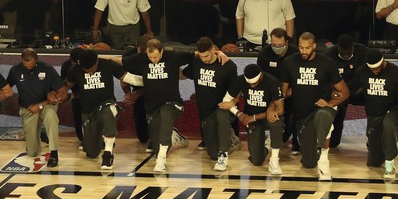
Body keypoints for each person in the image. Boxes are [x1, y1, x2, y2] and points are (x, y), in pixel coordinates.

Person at [279, 32, 349, 181]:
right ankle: (315, 153)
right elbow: (284, 92)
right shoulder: (290, 63)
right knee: (309, 164)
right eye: (301, 48)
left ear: (314, 46)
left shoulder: (326, 63)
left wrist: (330, 103)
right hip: (302, 115)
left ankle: (324, 158)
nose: (304, 51)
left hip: (321, 108)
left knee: (323, 115)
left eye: (308, 48)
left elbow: (345, 92)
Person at [119, 39, 194, 173]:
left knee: (166, 114)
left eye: (155, 57)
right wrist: (98, 58)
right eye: (150, 57)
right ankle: (175, 136)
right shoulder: (141, 59)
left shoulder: (173, 56)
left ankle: (161, 161)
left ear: (161, 51)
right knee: (155, 145)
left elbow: (197, 54)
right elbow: (119, 62)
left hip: (172, 102)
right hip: (152, 106)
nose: (153, 60)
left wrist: (218, 53)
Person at [52, 49, 131, 170]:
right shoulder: (74, 70)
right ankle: (97, 138)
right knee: (91, 152)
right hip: (88, 111)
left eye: (92, 69)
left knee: (109, 111)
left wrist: (146, 83)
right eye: (86, 70)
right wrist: (56, 95)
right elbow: (66, 86)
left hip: (105, 104)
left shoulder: (108, 65)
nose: (90, 72)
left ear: (97, 61)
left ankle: (108, 154)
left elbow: (127, 77)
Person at [182, 37, 238, 171]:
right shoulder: (196, 61)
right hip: (206, 111)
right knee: (212, 155)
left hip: (223, 107)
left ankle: (224, 155)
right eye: (201, 56)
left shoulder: (228, 65)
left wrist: (232, 104)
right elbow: (182, 75)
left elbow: (237, 90)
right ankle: (226, 142)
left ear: (213, 49)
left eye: (206, 56)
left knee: (221, 116)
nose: (204, 59)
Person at [222, 64, 285, 174]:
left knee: (277, 123)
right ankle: (266, 146)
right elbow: (225, 101)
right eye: (249, 84)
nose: (251, 86)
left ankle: (274, 160)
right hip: (251, 117)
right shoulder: (241, 80)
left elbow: (280, 110)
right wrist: (239, 114)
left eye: (254, 83)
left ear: (260, 76)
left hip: (266, 117)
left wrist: (256, 116)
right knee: (256, 161)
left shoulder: (271, 81)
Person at [351, 50, 398, 178]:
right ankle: (374, 144)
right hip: (373, 113)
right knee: (374, 162)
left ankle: (390, 163)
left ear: (383, 62)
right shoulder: (362, 71)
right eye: (371, 68)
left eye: (376, 68)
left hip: (391, 109)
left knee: (388, 126)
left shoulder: (395, 72)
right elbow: (351, 88)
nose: (374, 71)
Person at [7, 48, 64, 167]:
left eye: (31, 66)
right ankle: (42, 134)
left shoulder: (47, 69)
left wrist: (41, 104)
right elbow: (6, 86)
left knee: (51, 116)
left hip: (47, 105)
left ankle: (54, 153)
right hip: (28, 108)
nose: (28, 68)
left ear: (37, 60)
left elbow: (62, 93)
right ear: (21, 60)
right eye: (25, 65)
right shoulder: (15, 70)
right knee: (32, 153)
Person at [256, 27, 300, 154]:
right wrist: (275, 96)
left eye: (279, 45)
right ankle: (267, 139)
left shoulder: (295, 53)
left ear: (286, 42)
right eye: (274, 44)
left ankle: (296, 143)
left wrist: (289, 92)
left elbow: (299, 76)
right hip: (272, 92)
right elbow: (262, 78)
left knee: (296, 113)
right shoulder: (264, 54)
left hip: (293, 90)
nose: (276, 47)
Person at [325, 34, 368, 148]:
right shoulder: (329, 55)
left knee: (373, 98)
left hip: (358, 91)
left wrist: (353, 92)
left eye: (348, 53)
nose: (345, 56)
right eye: (343, 53)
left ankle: (373, 139)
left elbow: (368, 76)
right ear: (337, 47)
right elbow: (325, 79)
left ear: (353, 47)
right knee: (334, 143)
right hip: (338, 93)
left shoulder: (363, 51)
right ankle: (329, 137)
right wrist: (332, 92)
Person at [60, 47, 86, 146]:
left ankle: (99, 138)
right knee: (77, 116)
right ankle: (82, 138)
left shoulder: (88, 63)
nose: (76, 65)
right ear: (70, 60)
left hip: (90, 93)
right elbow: (63, 84)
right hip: (76, 94)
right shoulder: (66, 66)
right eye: (73, 63)